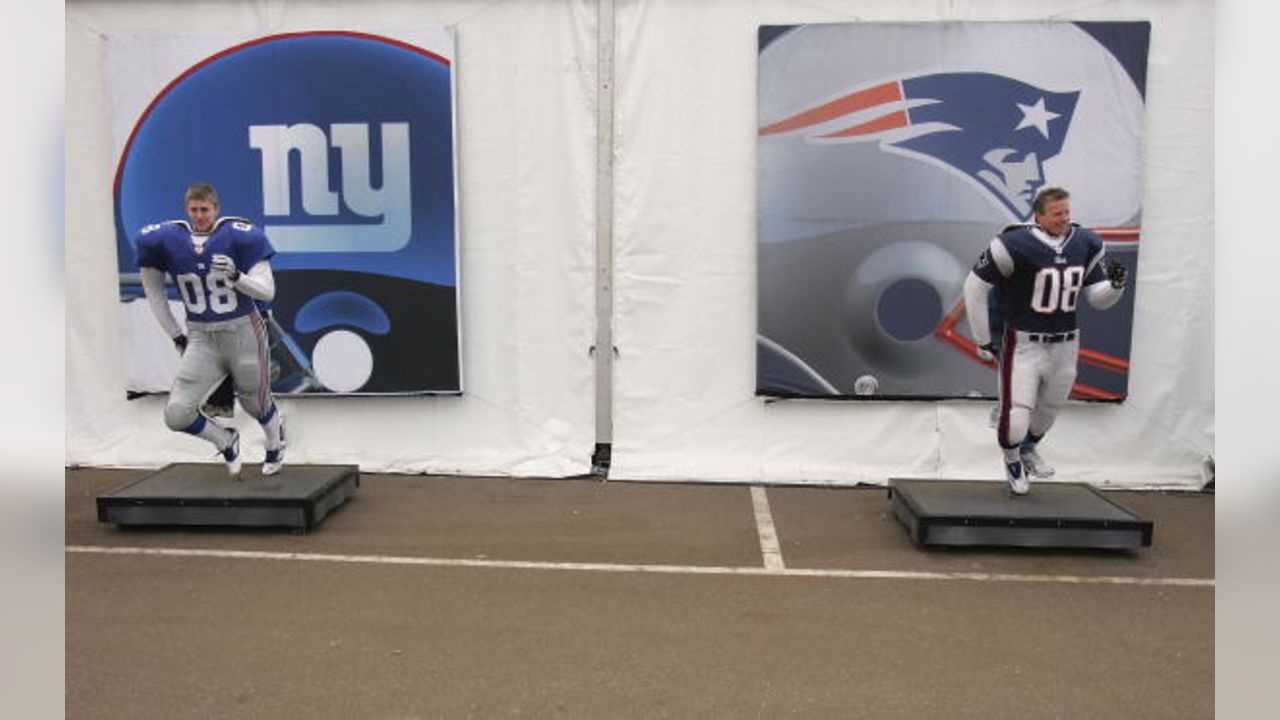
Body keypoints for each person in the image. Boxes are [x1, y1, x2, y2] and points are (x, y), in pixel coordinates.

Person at [962, 187, 1126, 494]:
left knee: (1048, 411)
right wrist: (982, 339)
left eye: (1067, 212)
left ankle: (1027, 450)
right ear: (1038, 216)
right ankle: (1011, 460)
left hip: (1065, 344)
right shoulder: (1015, 243)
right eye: (1057, 213)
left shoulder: (1085, 243)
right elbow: (974, 287)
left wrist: (1116, 286)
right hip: (1025, 343)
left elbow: (1097, 298)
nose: (1064, 218)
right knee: (1017, 417)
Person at [135, 183, 286, 477]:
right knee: (177, 414)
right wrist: (176, 335)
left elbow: (267, 292)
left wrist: (235, 276)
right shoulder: (163, 239)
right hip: (202, 336)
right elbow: (154, 294)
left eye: (205, 209)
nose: (200, 215)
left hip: (243, 330)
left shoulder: (240, 236)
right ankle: (225, 439)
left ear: (216, 209)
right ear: (187, 209)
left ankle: (275, 442)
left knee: (254, 403)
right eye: (194, 209)